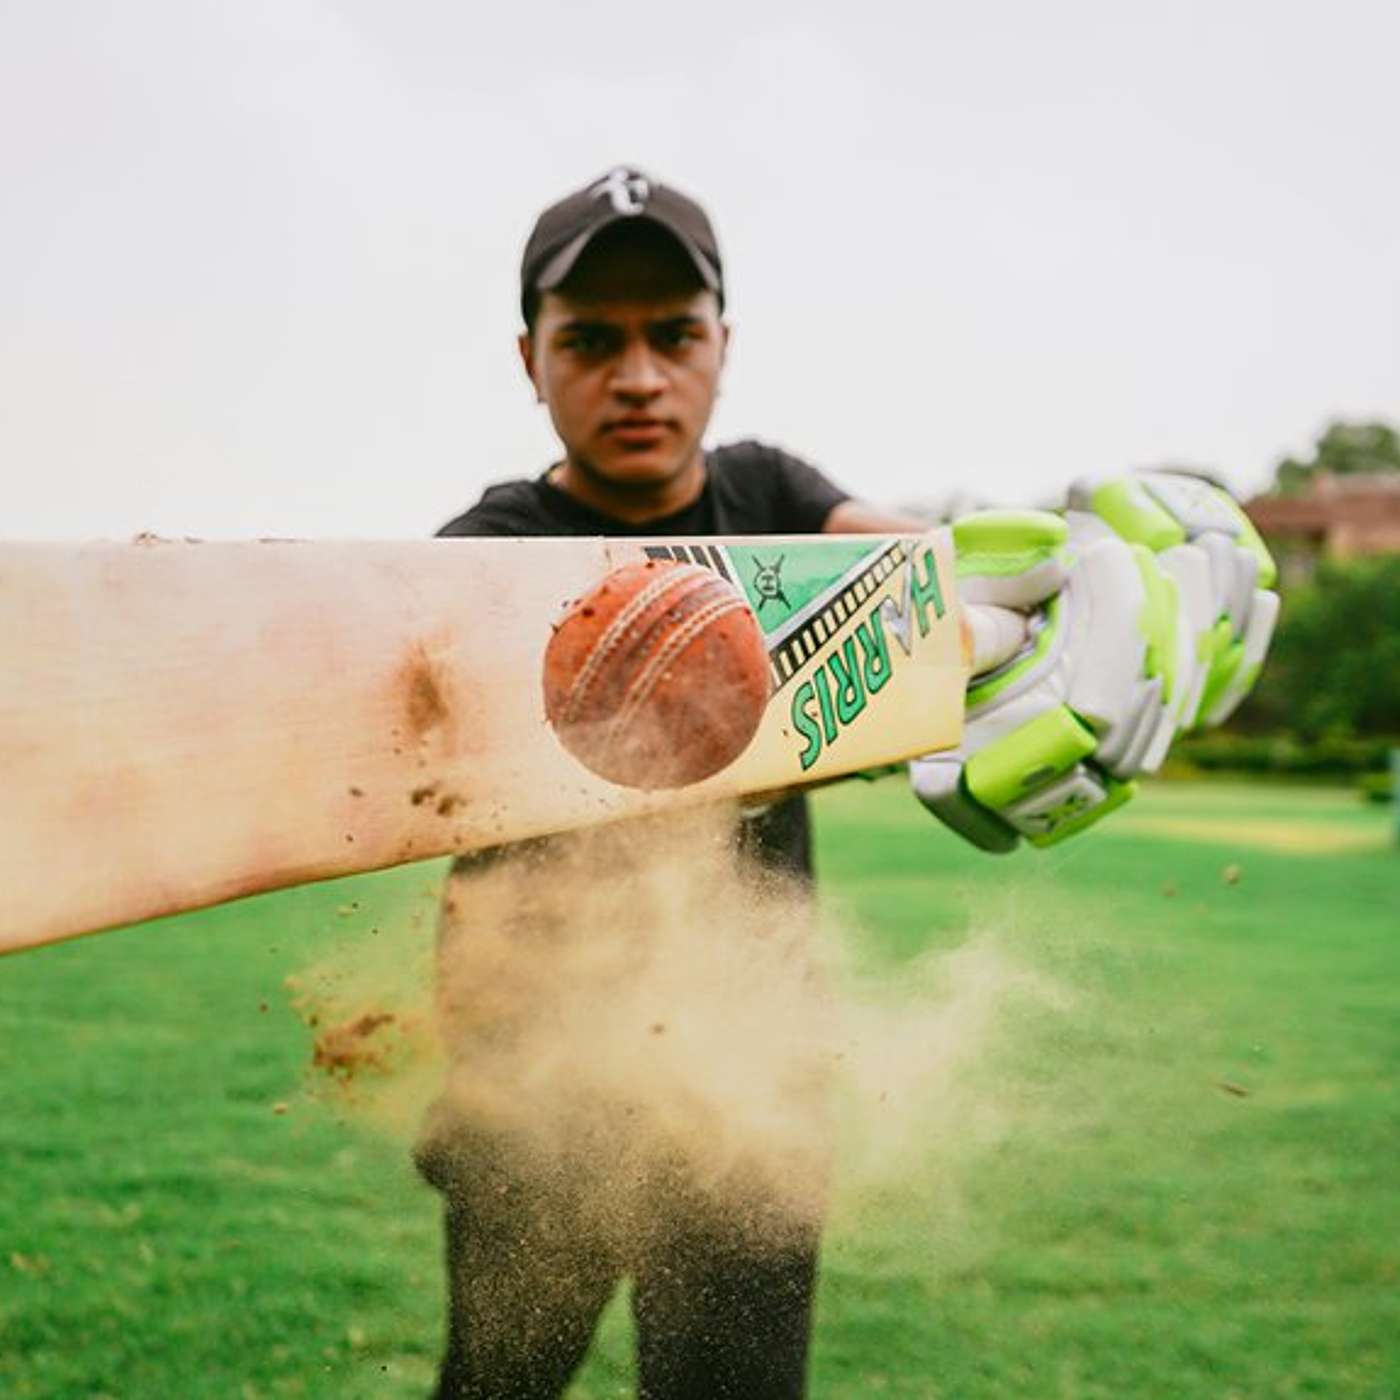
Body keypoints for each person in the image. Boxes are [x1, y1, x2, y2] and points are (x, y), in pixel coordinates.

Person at [416, 167, 1280, 1399]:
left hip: (750, 1072)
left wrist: (1089, 600)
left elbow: (922, 578)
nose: (640, 376)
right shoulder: (490, 547)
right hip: (535, 1084)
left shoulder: (768, 490)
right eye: (591, 341)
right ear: (529, 357)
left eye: (674, 334)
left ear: (722, 344)